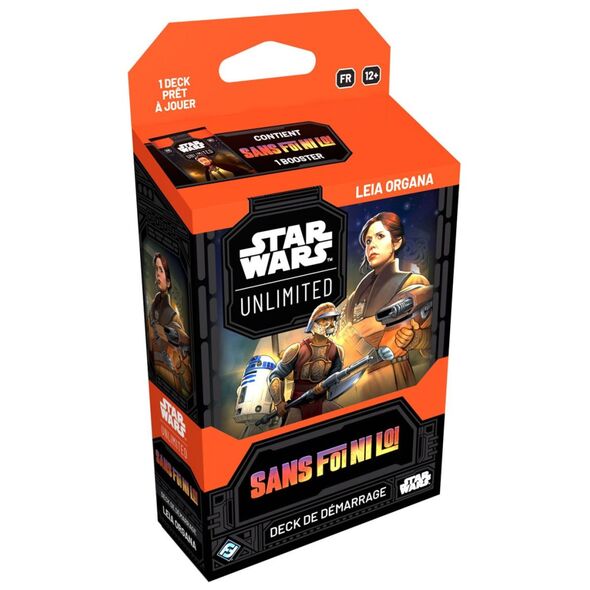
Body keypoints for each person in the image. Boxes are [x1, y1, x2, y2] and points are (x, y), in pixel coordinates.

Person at [340, 212, 431, 399]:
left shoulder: (413, 283)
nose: (371, 245)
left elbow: (433, 339)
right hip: (355, 382)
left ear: (396, 243)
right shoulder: (354, 297)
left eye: (380, 236)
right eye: (368, 241)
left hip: (393, 375)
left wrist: (415, 339)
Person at [267, 302, 344, 424]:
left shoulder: (337, 351)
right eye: (325, 319)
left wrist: (325, 387)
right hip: (298, 404)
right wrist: (279, 402)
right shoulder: (296, 349)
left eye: (332, 319)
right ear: (314, 323)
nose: (330, 323)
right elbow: (275, 375)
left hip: (322, 402)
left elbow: (335, 380)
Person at [148, 252, 192, 397]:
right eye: (156, 269)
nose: (157, 274)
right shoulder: (154, 305)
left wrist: (167, 333)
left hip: (169, 372)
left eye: (161, 270)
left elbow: (185, 340)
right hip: (157, 371)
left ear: (168, 282)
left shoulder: (170, 312)